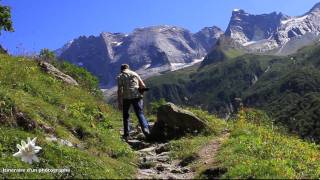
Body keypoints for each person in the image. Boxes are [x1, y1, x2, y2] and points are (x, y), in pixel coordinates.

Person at [117, 64, 150, 140]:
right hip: (137, 96)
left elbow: (119, 90)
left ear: (121, 69)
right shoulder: (135, 73)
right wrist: (140, 93)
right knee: (140, 113)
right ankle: (146, 130)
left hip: (126, 97)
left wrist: (119, 102)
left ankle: (126, 135)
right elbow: (143, 85)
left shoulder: (120, 76)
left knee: (126, 116)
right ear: (128, 68)